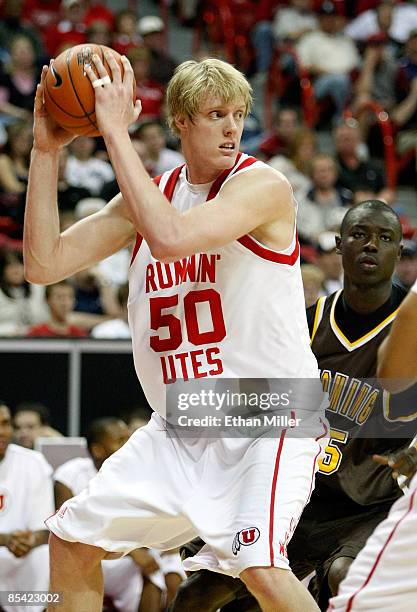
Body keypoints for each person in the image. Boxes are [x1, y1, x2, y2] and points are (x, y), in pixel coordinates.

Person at [24, 56, 328, 611]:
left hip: (269, 412)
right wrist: (47, 152)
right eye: (216, 114)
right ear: (181, 122)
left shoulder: (263, 186)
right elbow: (43, 264)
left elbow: (170, 238)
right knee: (71, 541)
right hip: (183, 421)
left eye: (239, 114)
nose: (233, 127)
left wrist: (114, 130)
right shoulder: (151, 195)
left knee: (260, 567)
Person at [170, 200, 415, 611]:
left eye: (384, 238)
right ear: (338, 246)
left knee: (344, 578)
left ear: (398, 251)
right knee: (194, 597)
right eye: (359, 235)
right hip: (296, 496)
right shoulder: (304, 324)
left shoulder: (408, 331)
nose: (371, 246)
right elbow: (253, 410)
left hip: (370, 507)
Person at [328, 265, 417, 611]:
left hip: (364, 504)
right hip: (322, 497)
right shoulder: (314, 318)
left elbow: (392, 374)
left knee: (360, 597)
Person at [54, 417, 166, 612]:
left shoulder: (141, 472)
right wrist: (135, 552)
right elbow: (66, 528)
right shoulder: (69, 473)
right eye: (121, 440)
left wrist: (135, 551)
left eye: (129, 438)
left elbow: (150, 526)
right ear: (98, 450)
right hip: (89, 554)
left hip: (126, 559)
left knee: (159, 567)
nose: (130, 445)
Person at [0, 401, 54, 612]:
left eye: (5, 424)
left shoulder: (33, 462)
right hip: (7, 546)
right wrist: (6, 540)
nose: (1, 432)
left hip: (22, 554)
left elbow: (44, 526)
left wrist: (30, 540)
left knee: (44, 552)